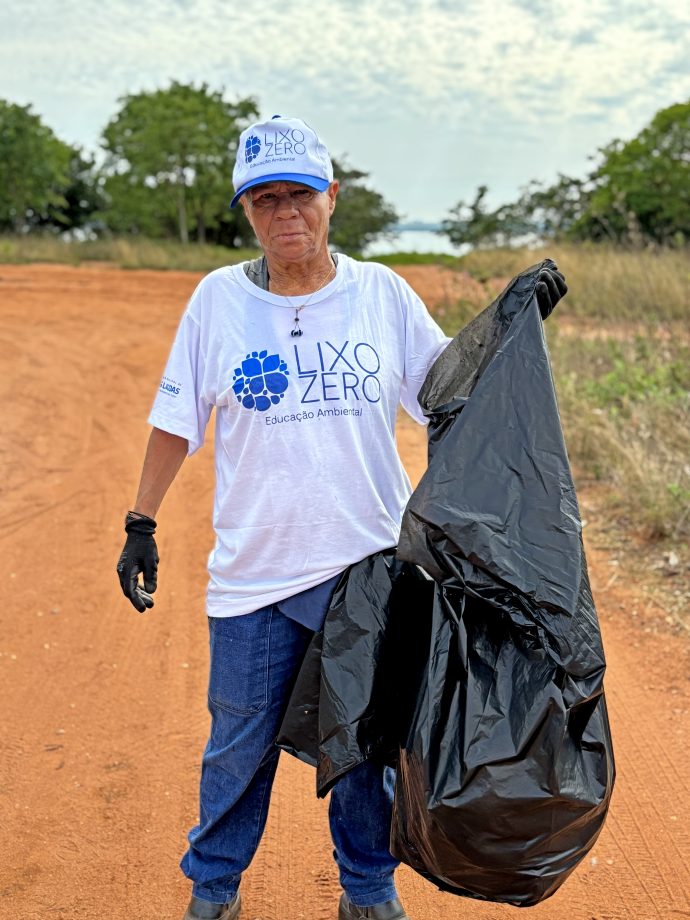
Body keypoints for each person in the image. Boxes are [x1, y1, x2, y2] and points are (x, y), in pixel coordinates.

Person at [116, 115, 566, 920]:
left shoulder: (381, 295)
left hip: (365, 568)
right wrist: (140, 522)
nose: (284, 213)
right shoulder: (217, 301)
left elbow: (449, 393)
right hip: (255, 574)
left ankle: (366, 891)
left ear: (332, 196)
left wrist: (511, 323)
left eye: (299, 194)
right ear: (246, 210)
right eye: (264, 199)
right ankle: (214, 889)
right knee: (238, 751)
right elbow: (176, 420)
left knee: (366, 751)